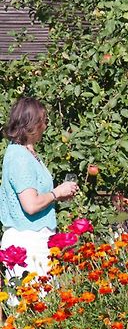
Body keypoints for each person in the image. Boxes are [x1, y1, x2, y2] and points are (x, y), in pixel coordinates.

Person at [0, 97, 78, 279]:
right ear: (32, 123)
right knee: (31, 302)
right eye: (43, 121)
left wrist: (57, 196)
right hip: (27, 243)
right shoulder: (19, 157)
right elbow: (31, 205)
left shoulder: (28, 153)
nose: (45, 126)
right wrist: (56, 192)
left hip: (37, 239)